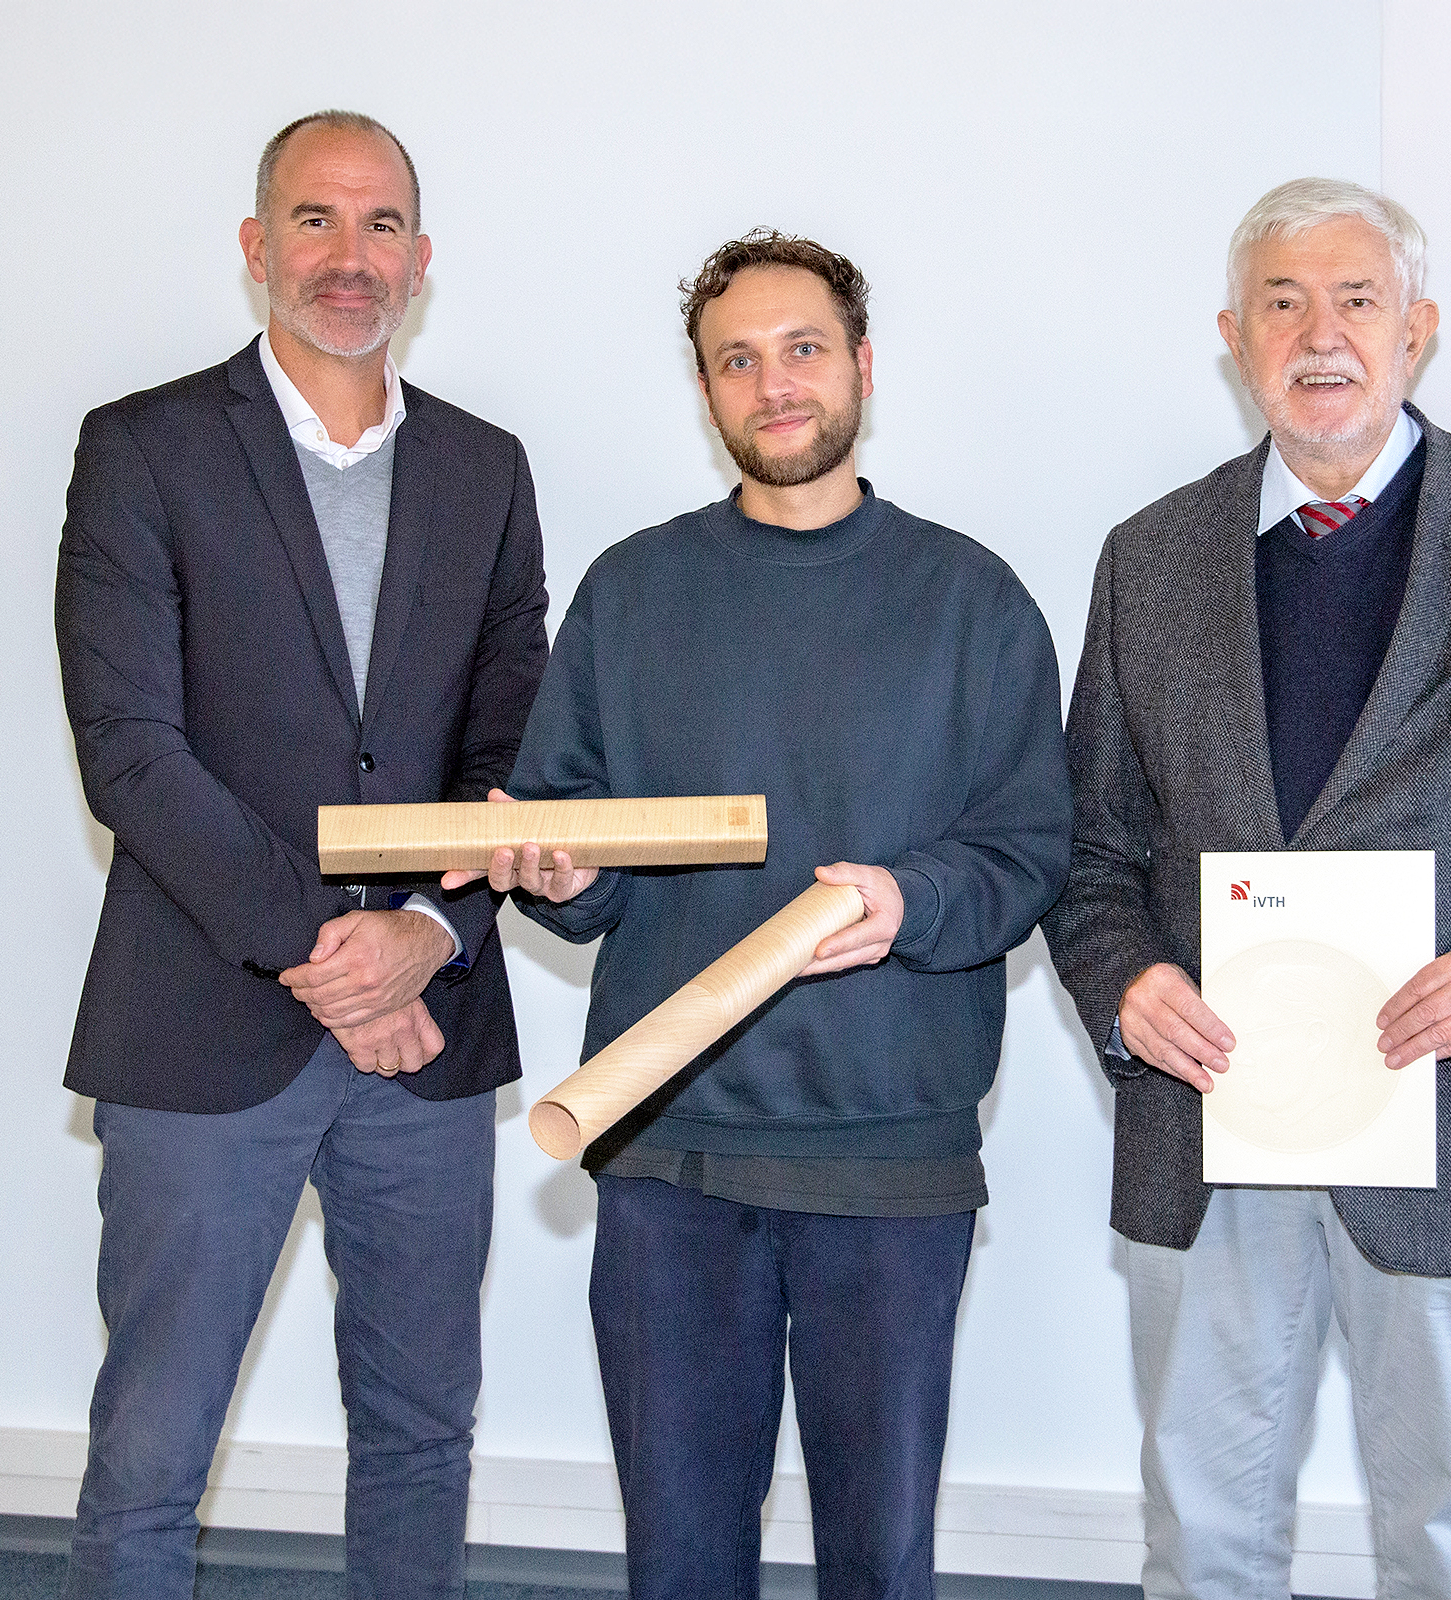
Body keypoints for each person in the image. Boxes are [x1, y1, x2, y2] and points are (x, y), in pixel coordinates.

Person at [1039, 177, 1451, 1599]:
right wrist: (1124, 980)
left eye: (1356, 299)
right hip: (1213, 1125)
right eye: (1282, 301)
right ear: (1233, 334)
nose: (1318, 333)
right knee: (1202, 1537)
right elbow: (1090, 848)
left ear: (1422, 330)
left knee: (1447, 1537)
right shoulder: (1147, 561)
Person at [452, 229, 1069, 1600]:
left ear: (861, 366)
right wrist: (557, 872)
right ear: (707, 392)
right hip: (670, 1154)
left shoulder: (971, 602)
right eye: (738, 360)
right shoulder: (633, 591)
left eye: (801, 350)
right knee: (680, 1563)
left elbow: (1032, 851)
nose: (773, 383)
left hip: (889, 1163)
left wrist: (916, 899)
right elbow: (583, 847)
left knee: (877, 1563)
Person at [52, 110, 549, 1599]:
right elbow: (132, 751)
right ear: (258, 248)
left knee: (419, 1436)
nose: (352, 257)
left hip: (431, 1041)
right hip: (206, 1023)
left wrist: (430, 935)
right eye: (317, 222)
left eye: (383, 224)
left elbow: (515, 750)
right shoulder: (141, 449)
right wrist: (335, 954)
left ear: (423, 261)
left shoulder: (487, 469)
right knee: (151, 1455)